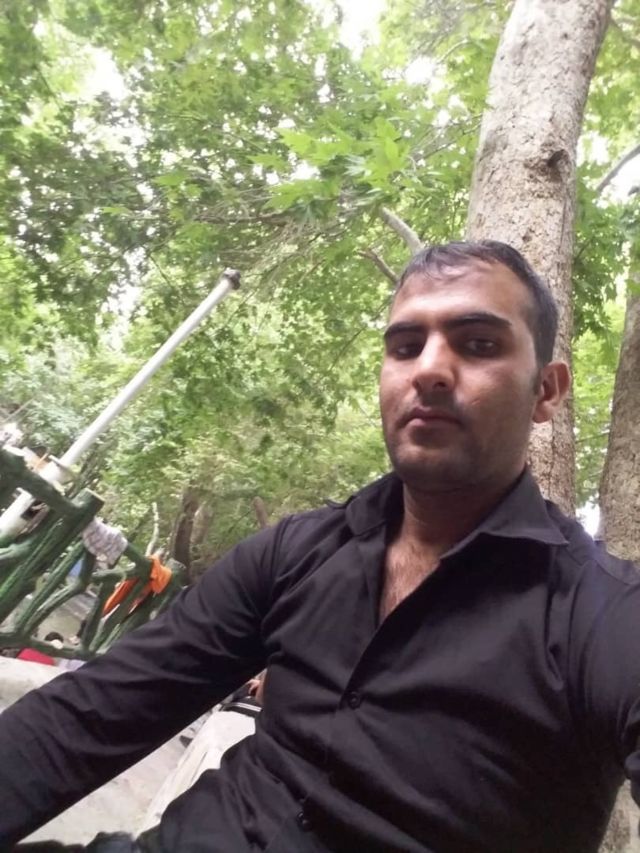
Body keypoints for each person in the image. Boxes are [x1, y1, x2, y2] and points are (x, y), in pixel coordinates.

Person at [2, 240, 640, 853]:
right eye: (405, 346)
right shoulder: (295, 553)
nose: (429, 370)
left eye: (478, 345)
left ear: (546, 391)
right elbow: (89, 715)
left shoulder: (603, 617)